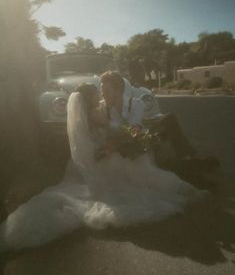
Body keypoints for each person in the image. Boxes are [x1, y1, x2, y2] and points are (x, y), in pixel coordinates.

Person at [0, 83, 209, 252]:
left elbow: (110, 133)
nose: (100, 94)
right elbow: (94, 148)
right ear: (89, 98)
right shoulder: (92, 114)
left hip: (106, 149)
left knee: (136, 161)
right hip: (100, 157)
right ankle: (186, 169)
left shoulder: (97, 110)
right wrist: (111, 147)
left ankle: (188, 165)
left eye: (103, 90)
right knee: (134, 167)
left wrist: (118, 142)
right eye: (97, 92)